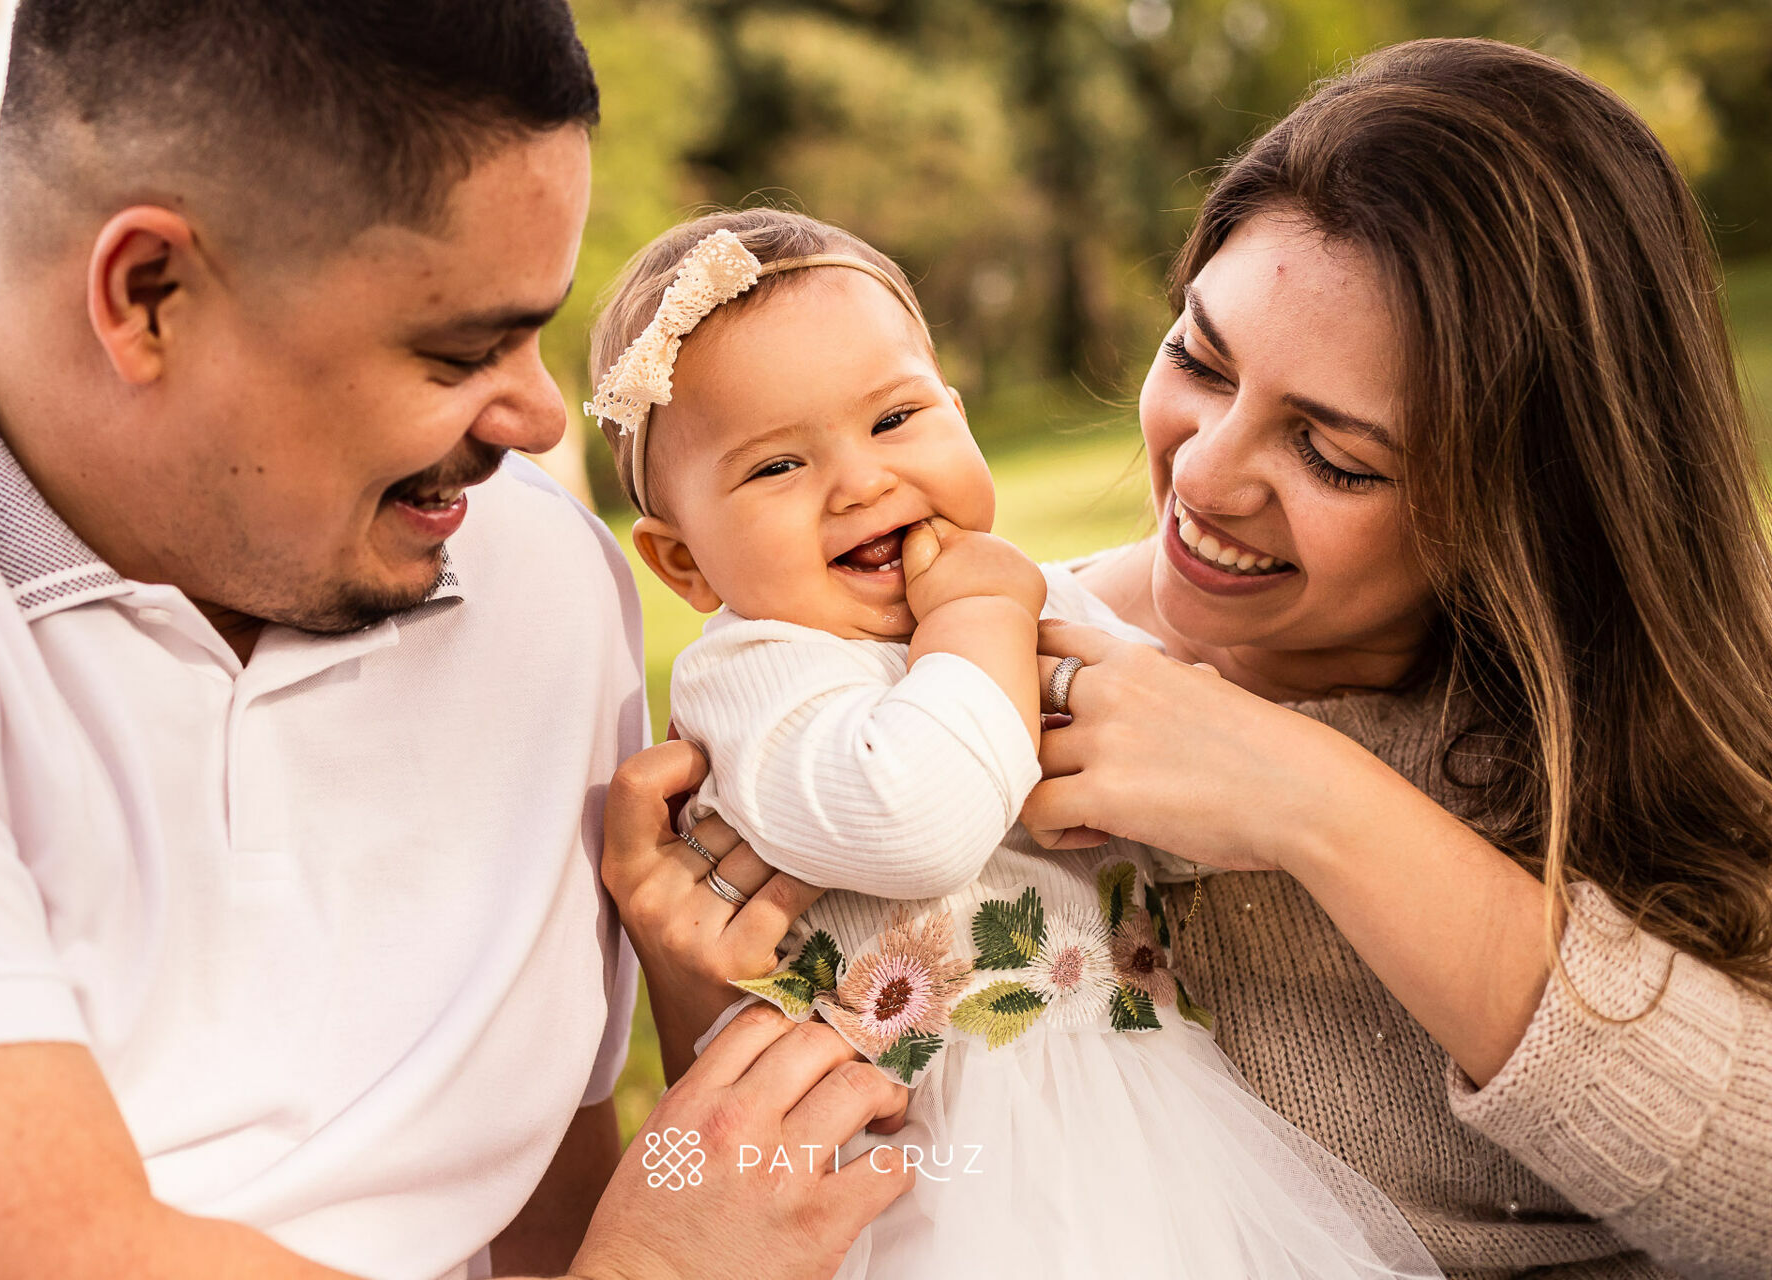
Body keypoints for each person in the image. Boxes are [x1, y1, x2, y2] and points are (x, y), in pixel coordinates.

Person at [602, 39, 1772, 1280]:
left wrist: (1316, 803)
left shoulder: (1658, 727)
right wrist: (704, 987)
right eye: (1200, 360)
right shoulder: (972, 679)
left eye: (1335, 455)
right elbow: (805, 1195)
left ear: (1530, 500)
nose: (1202, 474)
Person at [0, 4, 917, 1279]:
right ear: (147, 295)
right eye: (461, 349)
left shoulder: (537, 579)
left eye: (536, 329)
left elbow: (540, 1194)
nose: (533, 413)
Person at [585, 207, 1441, 1279]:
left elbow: (1199, 796)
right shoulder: (761, 672)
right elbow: (915, 821)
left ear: (957, 410)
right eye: (774, 468)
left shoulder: (1035, 598)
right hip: (937, 1164)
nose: (858, 481)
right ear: (685, 564)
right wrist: (980, 621)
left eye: (895, 419)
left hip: (1151, 1119)